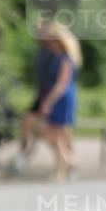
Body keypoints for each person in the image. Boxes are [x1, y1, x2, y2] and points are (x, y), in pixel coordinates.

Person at [36, 22, 82, 181]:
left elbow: (61, 85)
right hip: (59, 97)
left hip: (62, 98)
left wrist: (48, 101)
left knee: (57, 134)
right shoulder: (57, 57)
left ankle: (62, 168)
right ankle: (70, 163)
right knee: (54, 135)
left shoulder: (65, 59)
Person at [10, 24, 56, 174]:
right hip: (41, 96)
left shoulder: (56, 54)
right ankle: (22, 156)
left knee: (51, 132)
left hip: (51, 97)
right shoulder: (42, 52)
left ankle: (68, 160)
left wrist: (49, 100)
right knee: (29, 124)